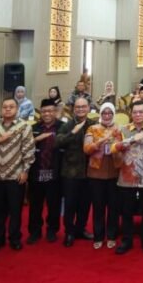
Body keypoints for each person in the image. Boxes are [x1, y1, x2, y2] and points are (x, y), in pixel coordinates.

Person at [0, 98, 35, 252]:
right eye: (5, 107)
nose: (8, 109)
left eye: (11, 106)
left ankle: (15, 238)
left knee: (15, 211)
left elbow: (29, 150)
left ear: (17, 109)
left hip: (15, 175)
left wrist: (25, 171)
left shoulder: (24, 126)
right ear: (1, 109)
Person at [111, 101, 143, 254]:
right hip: (127, 176)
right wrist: (129, 141)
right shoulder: (123, 130)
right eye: (135, 112)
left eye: (141, 112)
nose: (138, 115)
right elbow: (113, 148)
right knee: (126, 211)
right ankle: (127, 240)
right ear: (131, 113)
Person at [55, 96, 94, 247]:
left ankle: (80, 229)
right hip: (70, 172)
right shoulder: (67, 125)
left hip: (89, 172)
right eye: (78, 107)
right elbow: (57, 142)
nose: (81, 109)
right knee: (70, 204)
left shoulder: (94, 124)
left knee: (85, 204)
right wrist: (73, 132)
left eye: (83, 106)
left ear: (88, 108)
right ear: (73, 109)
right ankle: (69, 232)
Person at [83, 102, 122, 250]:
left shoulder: (119, 129)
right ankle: (98, 237)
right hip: (95, 174)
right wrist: (99, 143)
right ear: (100, 114)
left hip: (115, 173)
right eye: (104, 113)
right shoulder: (92, 128)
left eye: (109, 113)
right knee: (98, 207)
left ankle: (112, 236)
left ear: (113, 114)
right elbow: (86, 149)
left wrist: (116, 145)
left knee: (113, 207)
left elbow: (124, 148)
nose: (107, 116)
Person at [27, 100, 63, 245]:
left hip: (55, 173)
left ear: (55, 112)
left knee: (54, 205)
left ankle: (52, 230)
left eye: (50, 111)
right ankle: (35, 231)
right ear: (40, 113)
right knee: (35, 206)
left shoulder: (63, 127)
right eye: (44, 111)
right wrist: (36, 139)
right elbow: (24, 147)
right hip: (36, 172)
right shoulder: (33, 128)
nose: (47, 114)